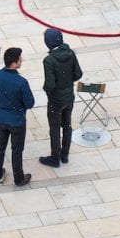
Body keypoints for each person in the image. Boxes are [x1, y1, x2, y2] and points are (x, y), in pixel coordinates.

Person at [0, 47, 35, 187]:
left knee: (0, 145)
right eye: (20, 59)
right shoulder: (21, 82)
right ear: (14, 63)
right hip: (17, 121)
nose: (22, 61)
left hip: (1, 118)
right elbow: (30, 103)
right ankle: (18, 178)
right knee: (16, 150)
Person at [40, 28, 83, 168]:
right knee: (67, 125)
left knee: (54, 128)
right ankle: (65, 155)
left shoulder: (49, 60)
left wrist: (47, 91)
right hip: (69, 97)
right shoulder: (70, 53)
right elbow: (78, 74)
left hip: (56, 100)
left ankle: (55, 157)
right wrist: (66, 82)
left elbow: (50, 84)